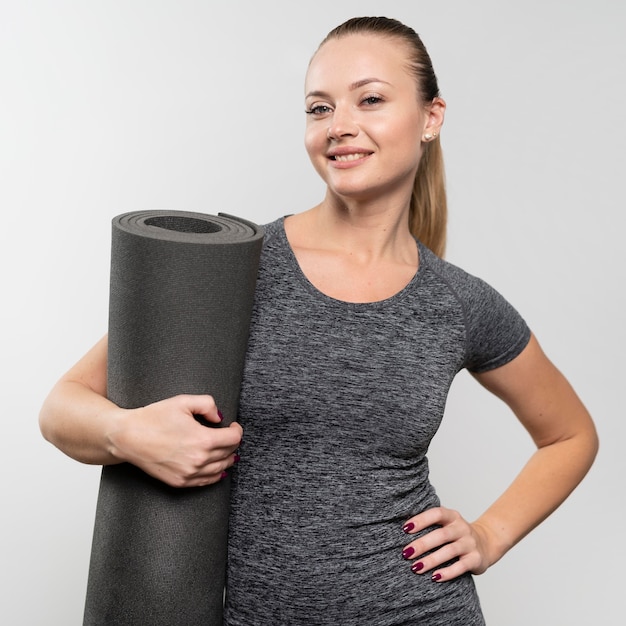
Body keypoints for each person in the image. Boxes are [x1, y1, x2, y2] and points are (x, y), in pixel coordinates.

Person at [39, 16, 598, 625]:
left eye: (371, 99)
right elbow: (61, 408)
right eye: (319, 108)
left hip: (421, 610)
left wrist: (489, 535)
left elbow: (570, 436)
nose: (340, 126)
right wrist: (130, 436)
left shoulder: (459, 302)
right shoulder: (239, 267)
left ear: (431, 118)